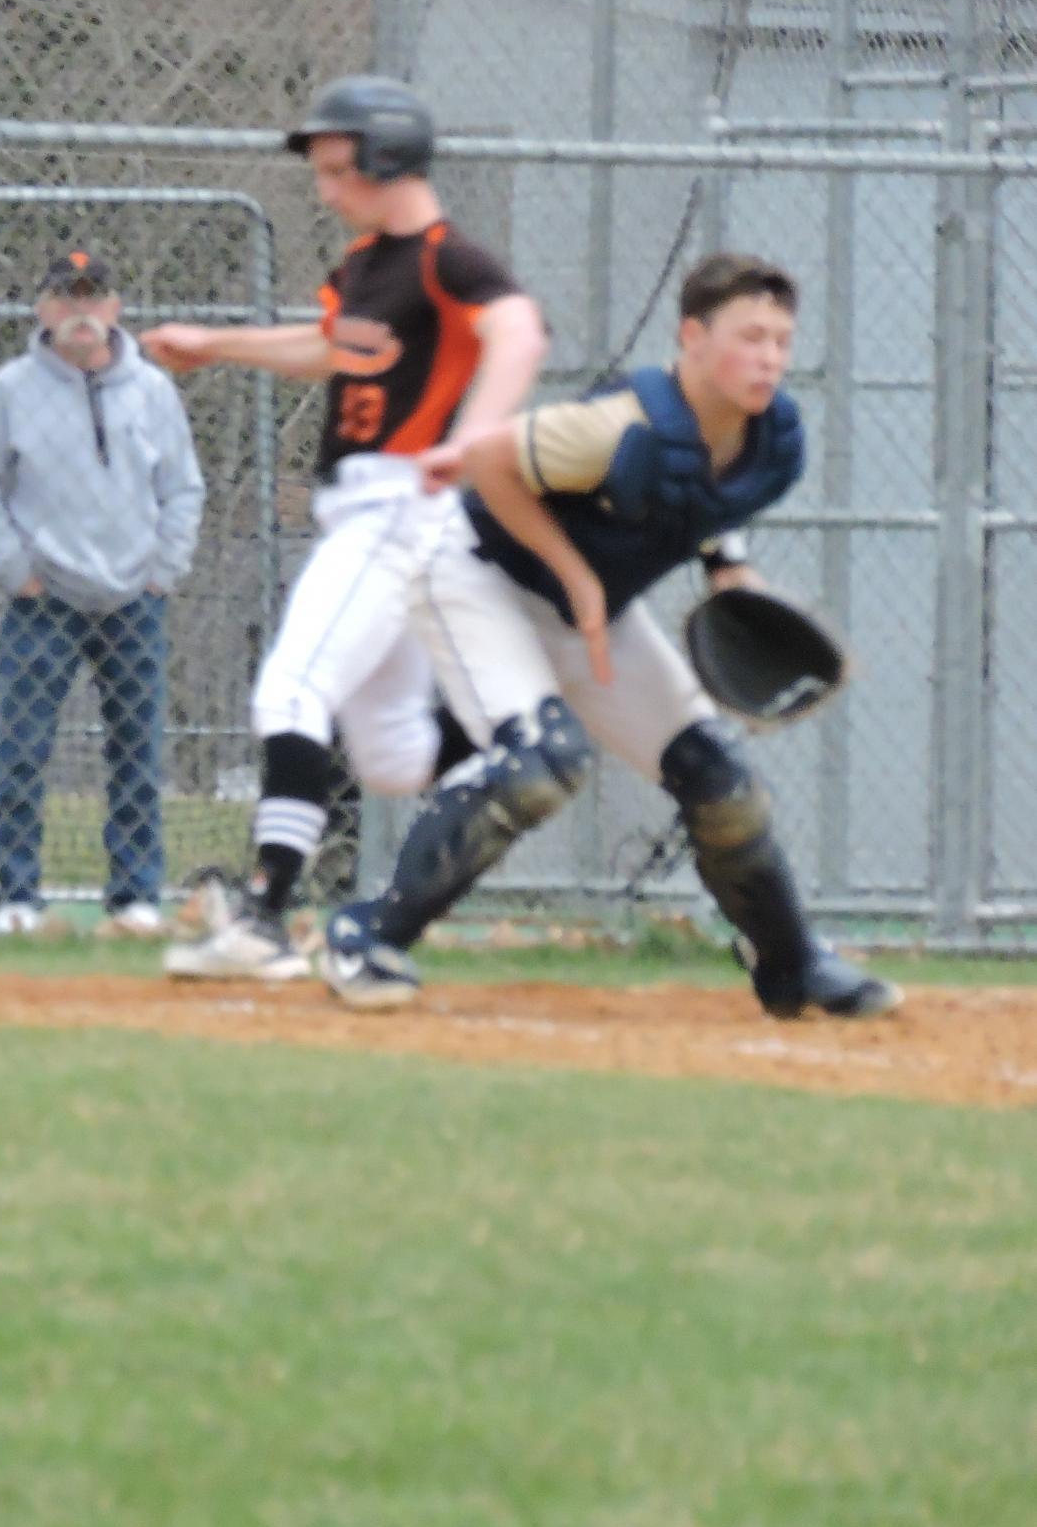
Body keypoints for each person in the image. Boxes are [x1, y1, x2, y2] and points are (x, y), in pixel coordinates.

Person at [318, 253, 898, 1021]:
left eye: (780, 341)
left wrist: (726, 569)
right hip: (473, 576)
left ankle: (790, 964)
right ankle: (366, 933)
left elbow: (698, 500)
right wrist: (579, 577)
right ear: (690, 336)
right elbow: (487, 462)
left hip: (584, 610)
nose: (767, 358)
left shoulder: (771, 441)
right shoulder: (618, 427)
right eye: (747, 336)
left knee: (719, 777)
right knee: (540, 763)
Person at [148, 77, 547, 980]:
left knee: (289, 693)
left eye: (340, 170)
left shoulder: (450, 259)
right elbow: (330, 350)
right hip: (365, 512)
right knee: (397, 757)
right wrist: (214, 345)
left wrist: (472, 436)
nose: (327, 189)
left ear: (389, 160)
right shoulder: (365, 266)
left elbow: (519, 334)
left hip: (397, 509)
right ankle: (529, 729)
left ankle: (260, 918)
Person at [0, 249, 204, 938]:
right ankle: (17, 897)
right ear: (42, 309)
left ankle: (134, 899)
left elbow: (182, 488)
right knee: (21, 750)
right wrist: (16, 570)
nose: (80, 312)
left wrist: (161, 570)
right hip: (42, 600)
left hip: (133, 601)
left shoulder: (152, 390)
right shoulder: (10, 388)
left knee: (136, 753)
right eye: (65, 297)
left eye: (93, 297)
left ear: (115, 308)